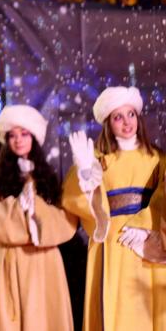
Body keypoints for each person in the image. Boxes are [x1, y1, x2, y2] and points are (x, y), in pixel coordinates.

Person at [62, 86, 166, 330]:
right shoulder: (98, 159)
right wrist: (86, 177)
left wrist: (145, 226)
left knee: (147, 305)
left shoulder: (157, 159)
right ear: (108, 123)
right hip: (111, 240)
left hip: (147, 241)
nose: (126, 122)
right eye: (118, 117)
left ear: (138, 117)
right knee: (116, 306)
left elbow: (163, 196)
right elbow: (73, 198)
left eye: (131, 114)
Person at [0, 104, 77, 331]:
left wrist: (37, 209)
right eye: (12, 135)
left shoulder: (48, 177)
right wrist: (15, 206)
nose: (18, 140)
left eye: (24, 134)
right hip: (10, 259)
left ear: (34, 137)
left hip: (44, 261)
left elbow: (66, 219)